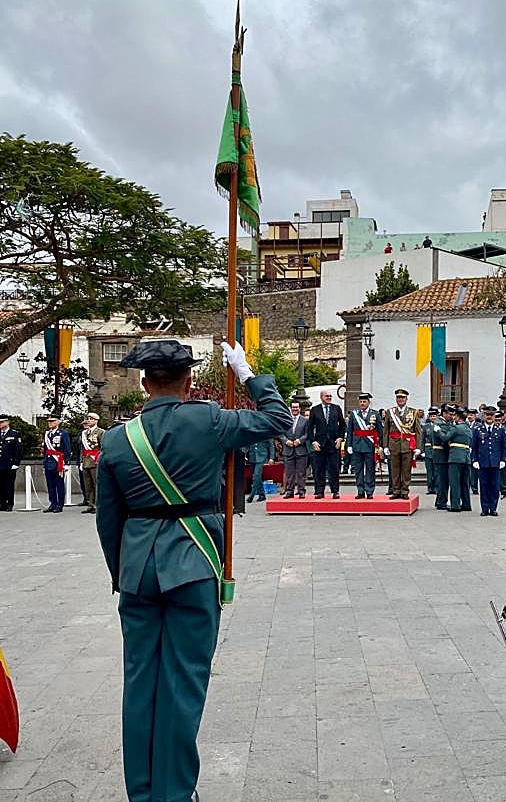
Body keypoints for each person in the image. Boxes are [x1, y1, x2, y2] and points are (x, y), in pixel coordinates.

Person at [96, 338, 290, 802]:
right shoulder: (209, 419)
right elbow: (278, 420)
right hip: (195, 563)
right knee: (183, 684)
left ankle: (142, 793)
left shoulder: (117, 439)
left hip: (138, 571)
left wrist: (121, 574)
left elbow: (109, 520)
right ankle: (175, 792)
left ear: (143, 383)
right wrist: (246, 372)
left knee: (140, 683)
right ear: (188, 381)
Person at [382, 388, 422, 500]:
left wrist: (418, 447)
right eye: (398, 397)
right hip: (393, 445)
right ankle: (395, 490)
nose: (400, 400)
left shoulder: (413, 412)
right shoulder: (390, 412)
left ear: (406, 399)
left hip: (407, 445)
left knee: (406, 470)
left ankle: (404, 491)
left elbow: (418, 431)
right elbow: (386, 430)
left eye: (402, 398)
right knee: (394, 470)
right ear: (396, 399)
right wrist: (385, 446)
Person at [307, 389, 346, 499]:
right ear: (321, 397)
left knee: (334, 468)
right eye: (326, 396)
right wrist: (313, 441)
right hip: (320, 444)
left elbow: (343, 425)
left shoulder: (336, 408)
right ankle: (319, 491)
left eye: (330, 396)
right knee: (319, 469)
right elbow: (309, 428)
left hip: (333, 444)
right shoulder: (315, 410)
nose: (329, 397)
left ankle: (335, 491)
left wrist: (340, 438)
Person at [471, 406, 506, 516]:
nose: (489, 417)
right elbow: (474, 446)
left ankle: (493, 508)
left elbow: (504, 447)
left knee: (495, 487)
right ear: (484, 416)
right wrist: (474, 460)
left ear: (494, 416)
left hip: (495, 463)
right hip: (483, 462)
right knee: (484, 486)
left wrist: (503, 459)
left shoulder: (500, 430)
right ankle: (485, 508)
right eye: (487, 415)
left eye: (491, 415)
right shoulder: (478, 430)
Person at [346, 392, 383, 499]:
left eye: (364, 401)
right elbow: (350, 431)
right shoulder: (354, 414)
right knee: (358, 470)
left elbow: (380, 431)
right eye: (361, 401)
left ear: (368, 402)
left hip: (370, 446)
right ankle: (360, 490)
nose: (362, 403)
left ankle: (370, 490)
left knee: (370, 469)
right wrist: (349, 445)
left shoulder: (375, 414)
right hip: (357, 445)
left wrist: (380, 445)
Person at [441, 407, 472, 512]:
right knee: (465, 483)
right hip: (466, 458)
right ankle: (466, 504)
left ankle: (455, 505)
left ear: (458, 417)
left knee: (455, 482)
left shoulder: (456, 428)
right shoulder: (468, 428)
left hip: (455, 457)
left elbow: (445, 438)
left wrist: (438, 432)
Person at [43, 414, 71, 513]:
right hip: (48, 462)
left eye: (52, 421)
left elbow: (67, 449)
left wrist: (67, 463)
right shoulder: (47, 434)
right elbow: (46, 449)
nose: (50, 423)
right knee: (50, 485)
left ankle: (60, 504)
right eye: (49, 421)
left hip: (58, 462)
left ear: (58, 422)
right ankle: (53, 503)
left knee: (59, 484)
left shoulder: (63, 433)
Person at [280, 401, 309, 499]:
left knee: (301, 473)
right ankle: (289, 491)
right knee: (289, 473)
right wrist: (286, 441)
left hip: (301, 450)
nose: (295, 409)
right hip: (288, 450)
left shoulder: (305, 420)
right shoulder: (285, 420)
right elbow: (280, 433)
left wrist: (300, 441)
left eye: (296, 407)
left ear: (300, 409)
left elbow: (307, 434)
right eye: (293, 407)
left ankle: (301, 491)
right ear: (290, 408)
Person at [79, 412, 105, 514]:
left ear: (96, 421)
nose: (89, 421)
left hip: (95, 461)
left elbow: (102, 447)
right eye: (88, 419)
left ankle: (97, 505)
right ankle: (90, 504)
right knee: (88, 485)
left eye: (91, 419)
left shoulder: (100, 432)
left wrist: (100, 460)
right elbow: (82, 449)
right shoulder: (84, 433)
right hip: (86, 460)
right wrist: (81, 461)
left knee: (96, 484)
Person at [433, 404, 455, 509]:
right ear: (444, 413)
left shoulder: (443, 423)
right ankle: (441, 502)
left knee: (444, 480)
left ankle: (440, 501)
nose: (451, 416)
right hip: (442, 454)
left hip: (442, 455)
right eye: (450, 414)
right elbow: (445, 439)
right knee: (443, 480)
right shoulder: (441, 424)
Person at [0, 415, 22, 511]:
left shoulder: (14, 434)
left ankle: (10, 503)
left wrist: (16, 463)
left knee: (9, 485)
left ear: (7, 422)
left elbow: (18, 450)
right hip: (0, 463)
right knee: (0, 485)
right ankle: (2, 503)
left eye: (2, 422)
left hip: (9, 464)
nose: (0, 424)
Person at [246, 437, 274, 502]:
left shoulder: (266, 431)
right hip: (252, 456)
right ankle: (262, 495)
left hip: (262, 456)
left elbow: (270, 445)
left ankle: (251, 495)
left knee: (256, 475)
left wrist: (271, 458)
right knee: (257, 477)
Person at [420, 407, 440, 495]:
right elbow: (422, 439)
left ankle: (436, 487)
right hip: (428, 451)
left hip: (436, 451)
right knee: (429, 471)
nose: (433, 418)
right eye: (431, 416)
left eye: (434, 416)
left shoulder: (439, 426)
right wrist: (422, 451)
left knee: (436, 471)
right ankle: (429, 488)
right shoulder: (426, 427)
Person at [494, 411, 506, 497]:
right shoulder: (492, 429)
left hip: (504, 453)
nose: (497, 422)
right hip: (495, 454)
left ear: (502, 420)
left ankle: (504, 488)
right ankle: (495, 487)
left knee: (504, 472)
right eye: (496, 420)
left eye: (499, 420)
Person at [466, 408, 480, 495]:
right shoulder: (465, 424)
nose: (469, 416)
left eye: (471, 415)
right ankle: (467, 487)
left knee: (474, 470)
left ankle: (474, 487)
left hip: (474, 448)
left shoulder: (478, 425)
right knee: (467, 469)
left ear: (475, 416)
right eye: (469, 415)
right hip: (466, 448)